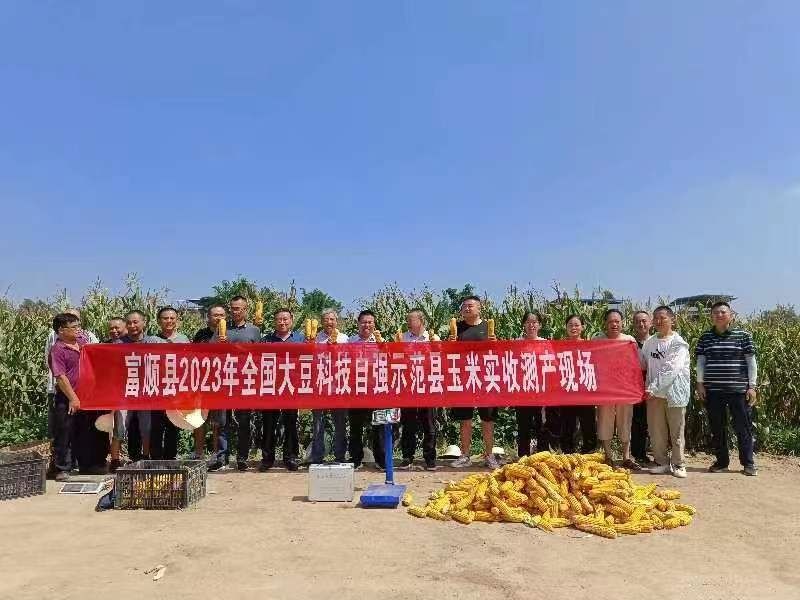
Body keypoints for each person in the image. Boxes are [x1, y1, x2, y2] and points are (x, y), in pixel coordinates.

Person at [695, 301, 758, 476]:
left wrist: (752, 386)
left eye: (723, 312)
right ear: (711, 316)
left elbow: (751, 363)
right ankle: (722, 462)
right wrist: (700, 384)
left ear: (731, 315)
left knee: (743, 427)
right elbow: (701, 363)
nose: (719, 315)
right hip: (713, 391)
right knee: (717, 427)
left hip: (738, 390)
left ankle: (748, 463)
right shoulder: (705, 337)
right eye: (715, 312)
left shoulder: (743, 336)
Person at [449, 296, 500, 469]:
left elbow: (499, 353)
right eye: (464, 306)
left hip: (485, 379)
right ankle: (465, 455)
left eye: (470, 306)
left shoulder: (488, 327)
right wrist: (449, 344)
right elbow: (447, 353)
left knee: (487, 419)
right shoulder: (457, 328)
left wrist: (496, 344)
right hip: (464, 379)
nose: (466, 308)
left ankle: (489, 455)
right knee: (465, 419)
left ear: (479, 308)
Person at [641, 306, 691, 478]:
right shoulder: (649, 343)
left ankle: (678, 464)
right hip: (654, 395)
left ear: (672, 319)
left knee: (676, 431)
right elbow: (643, 364)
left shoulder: (678, 343)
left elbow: (671, 369)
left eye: (662, 318)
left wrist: (653, 388)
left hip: (674, 394)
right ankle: (661, 462)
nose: (658, 321)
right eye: (655, 318)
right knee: (656, 431)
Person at [594, 309, 640, 468]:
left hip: (624, 389)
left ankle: (626, 456)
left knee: (625, 421)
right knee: (604, 421)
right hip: (605, 389)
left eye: (617, 321)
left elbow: (635, 365)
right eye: (610, 321)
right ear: (605, 323)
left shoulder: (629, 340)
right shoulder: (597, 340)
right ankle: (608, 456)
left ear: (622, 323)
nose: (614, 324)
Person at [48, 313, 90, 481]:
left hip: (85, 395)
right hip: (67, 397)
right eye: (73, 327)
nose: (78, 329)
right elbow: (60, 377)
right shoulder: (57, 350)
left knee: (82, 431)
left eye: (78, 326)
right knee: (64, 432)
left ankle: (82, 464)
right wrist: (73, 398)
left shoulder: (82, 342)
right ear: (61, 330)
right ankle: (62, 468)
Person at [261, 308, 304, 471]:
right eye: (279, 319)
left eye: (285, 319)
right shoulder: (266, 340)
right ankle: (267, 458)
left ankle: (290, 457)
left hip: (291, 387)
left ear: (291, 320)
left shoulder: (300, 339)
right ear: (274, 322)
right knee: (269, 424)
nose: (282, 322)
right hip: (271, 387)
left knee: (291, 423)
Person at [225, 296, 265, 471]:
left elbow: (259, 354)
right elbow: (210, 351)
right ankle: (223, 456)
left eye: (238, 308)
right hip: (225, 379)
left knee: (244, 421)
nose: (235, 311)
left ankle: (242, 457)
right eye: (232, 308)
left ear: (245, 310)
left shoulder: (254, 330)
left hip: (246, 380)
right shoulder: (222, 329)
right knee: (224, 421)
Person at [347, 310, 388, 470]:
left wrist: (382, 346)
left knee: (379, 426)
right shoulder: (350, 341)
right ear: (358, 324)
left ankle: (381, 460)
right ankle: (355, 459)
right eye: (364, 322)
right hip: (357, 389)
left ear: (374, 324)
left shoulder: (381, 341)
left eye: (370, 322)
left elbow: (390, 360)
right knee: (356, 427)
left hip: (376, 389)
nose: (367, 325)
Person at [148, 307, 190, 461]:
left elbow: (189, 363)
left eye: (172, 318)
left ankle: (170, 458)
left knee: (173, 425)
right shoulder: (151, 340)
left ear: (177, 320)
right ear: (159, 321)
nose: (169, 321)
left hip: (176, 390)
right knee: (156, 426)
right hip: (157, 390)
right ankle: (155, 459)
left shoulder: (184, 339)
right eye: (165, 318)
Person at [399, 309, 439, 470]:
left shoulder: (432, 338)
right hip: (408, 385)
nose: (408, 323)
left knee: (429, 423)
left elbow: (440, 358)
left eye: (411, 320)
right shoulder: (402, 338)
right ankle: (407, 457)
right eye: (407, 320)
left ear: (421, 320)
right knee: (408, 423)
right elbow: (395, 357)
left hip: (427, 384)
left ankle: (430, 458)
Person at [192, 304, 230, 470]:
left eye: (222, 315)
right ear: (208, 317)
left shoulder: (229, 334)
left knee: (217, 421)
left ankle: (216, 454)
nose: (219, 318)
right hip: (202, 382)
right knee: (199, 419)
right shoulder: (201, 334)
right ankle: (198, 453)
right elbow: (193, 354)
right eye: (215, 315)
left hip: (221, 383)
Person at [310, 308, 349, 465]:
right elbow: (310, 358)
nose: (329, 322)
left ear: (336, 321)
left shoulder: (344, 338)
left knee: (339, 423)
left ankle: (340, 455)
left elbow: (349, 359)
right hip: (319, 385)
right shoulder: (315, 338)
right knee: (318, 423)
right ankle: (317, 456)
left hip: (338, 385)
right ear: (321, 322)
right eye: (326, 319)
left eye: (332, 319)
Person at [559, 314, 597, 453]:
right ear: (566, 327)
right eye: (570, 325)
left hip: (585, 391)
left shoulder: (590, 346)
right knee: (567, 424)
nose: (573, 328)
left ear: (583, 327)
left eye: (576, 325)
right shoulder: (560, 346)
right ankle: (567, 453)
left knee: (588, 424)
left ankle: (589, 452)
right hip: (567, 391)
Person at [121, 310, 155, 461]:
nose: (132, 325)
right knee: (121, 426)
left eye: (135, 322)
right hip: (124, 391)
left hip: (146, 391)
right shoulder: (118, 344)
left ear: (144, 323)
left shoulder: (153, 342)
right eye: (129, 323)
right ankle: (116, 459)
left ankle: (146, 455)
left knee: (146, 426)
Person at [515, 310, 548, 458]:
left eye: (534, 322)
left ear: (539, 325)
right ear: (524, 324)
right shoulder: (517, 343)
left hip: (541, 391)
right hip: (522, 392)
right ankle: (523, 457)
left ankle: (542, 457)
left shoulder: (545, 343)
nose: (531, 325)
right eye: (528, 322)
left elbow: (553, 364)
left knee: (542, 425)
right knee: (523, 426)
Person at [104, 317, 127, 472]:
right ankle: (115, 459)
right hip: (111, 392)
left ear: (125, 328)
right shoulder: (104, 346)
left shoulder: (132, 345)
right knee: (114, 427)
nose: (114, 331)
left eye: (117, 328)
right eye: (111, 328)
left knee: (130, 426)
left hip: (132, 391)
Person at [631, 310, 652, 465]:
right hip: (634, 383)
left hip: (653, 381)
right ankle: (638, 453)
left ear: (650, 323)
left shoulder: (656, 341)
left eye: (644, 321)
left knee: (653, 419)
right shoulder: (629, 343)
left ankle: (657, 453)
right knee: (637, 419)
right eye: (638, 321)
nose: (641, 324)